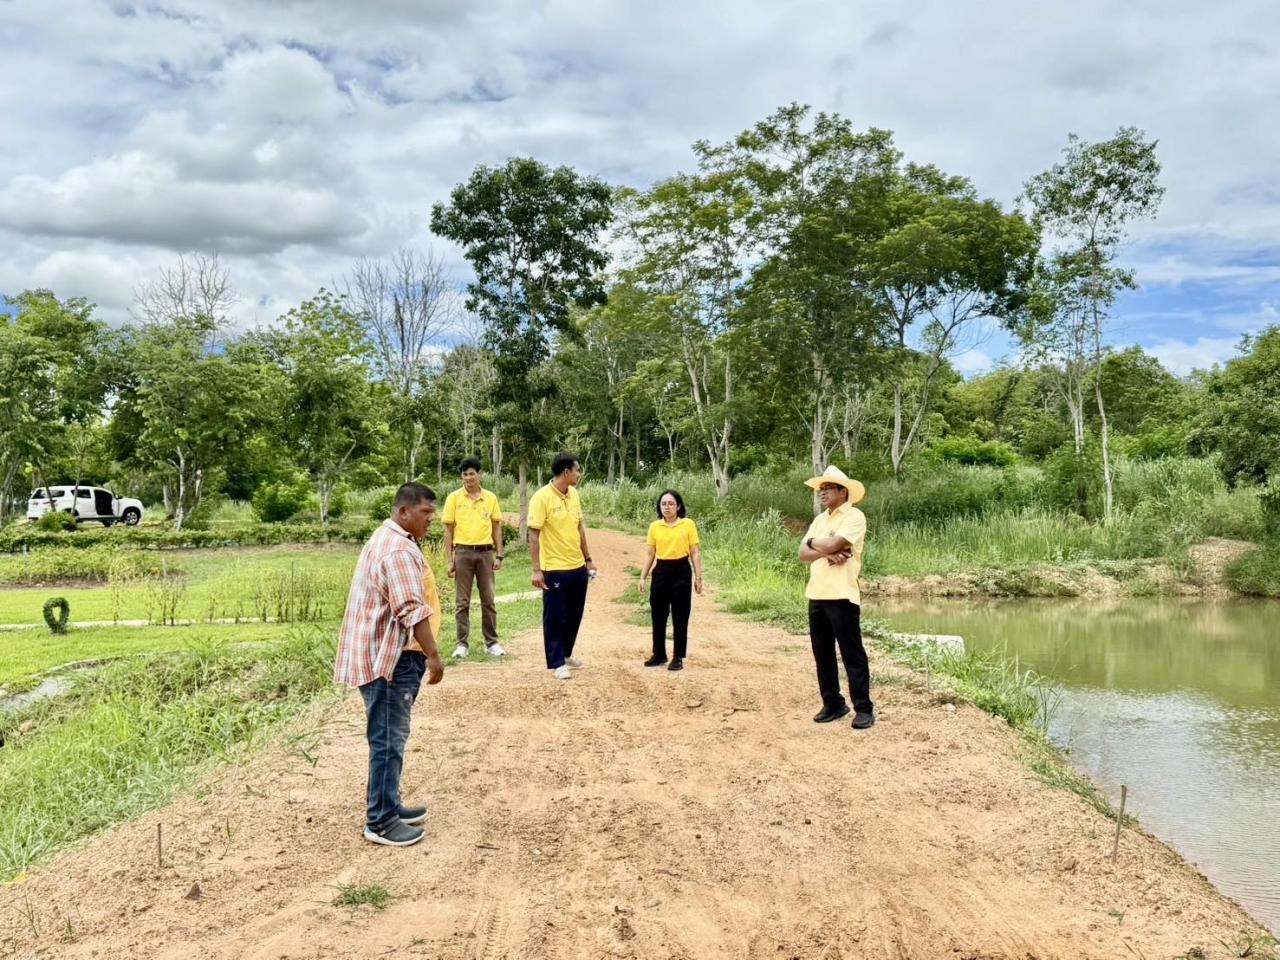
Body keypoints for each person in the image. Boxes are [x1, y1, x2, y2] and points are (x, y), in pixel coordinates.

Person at [333, 482, 445, 846]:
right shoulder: (396, 550)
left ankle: (389, 804)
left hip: (386, 655)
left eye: (432, 513)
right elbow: (411, 610)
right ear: (403, 512)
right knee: (387, 739)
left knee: (390, 736)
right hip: (389, 660)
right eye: (425, 513)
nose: (432, 520)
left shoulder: (391, 538)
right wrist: (433, 655)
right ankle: (379, 821)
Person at [797, 465, 874, 730]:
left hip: (842, 594)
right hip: (817, 593)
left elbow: (824, 545)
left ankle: (863, 708)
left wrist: (816, 546)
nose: (822, 493)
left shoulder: (854, 516)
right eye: (821, 489)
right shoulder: (820, 520)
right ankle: (833, 703)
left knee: (852, 653)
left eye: (827, 488)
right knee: (823, 654)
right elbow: (802, 553)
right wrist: (825, 551)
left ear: (843, 491)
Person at [528, 452, 597, 680]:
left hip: (576, 565)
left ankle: (566, 653)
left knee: (574, 614)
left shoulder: (574, 494)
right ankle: (556, 662)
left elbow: (580, 528)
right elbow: (534, 535)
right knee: (555, 616)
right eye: (577, 470)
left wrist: (587, 559)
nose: (579, 474)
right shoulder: (541, 498)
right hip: (554, 568)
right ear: (566, 472)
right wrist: (537, 569)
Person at [443, 457, 506, 659]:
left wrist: (499, 554)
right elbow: (448, 530)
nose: (469, 478)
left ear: (480, 475)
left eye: (472, 473)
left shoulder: (490, 498)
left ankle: (492, 642)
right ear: (461, 476)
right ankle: (462, 643)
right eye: (465, 474)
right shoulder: (454, 498)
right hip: (462, 553)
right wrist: (449, 560)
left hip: (486, 553)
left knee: (488, 600)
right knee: (462, 602)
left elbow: (497, 527)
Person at [639, 489, 703, 671]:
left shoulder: (688, 525)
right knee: (658, 615)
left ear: (679, 506)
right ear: (660, 507)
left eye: (671, 504)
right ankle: (659, 654)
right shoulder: (654, 527)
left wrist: (699, 577)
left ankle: (678, 657)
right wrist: (643, 576)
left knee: (680, 615)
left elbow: (695, 552)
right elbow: (650, 554)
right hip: (661, 571)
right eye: (664, 504)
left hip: (681, 571)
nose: (667, 507)